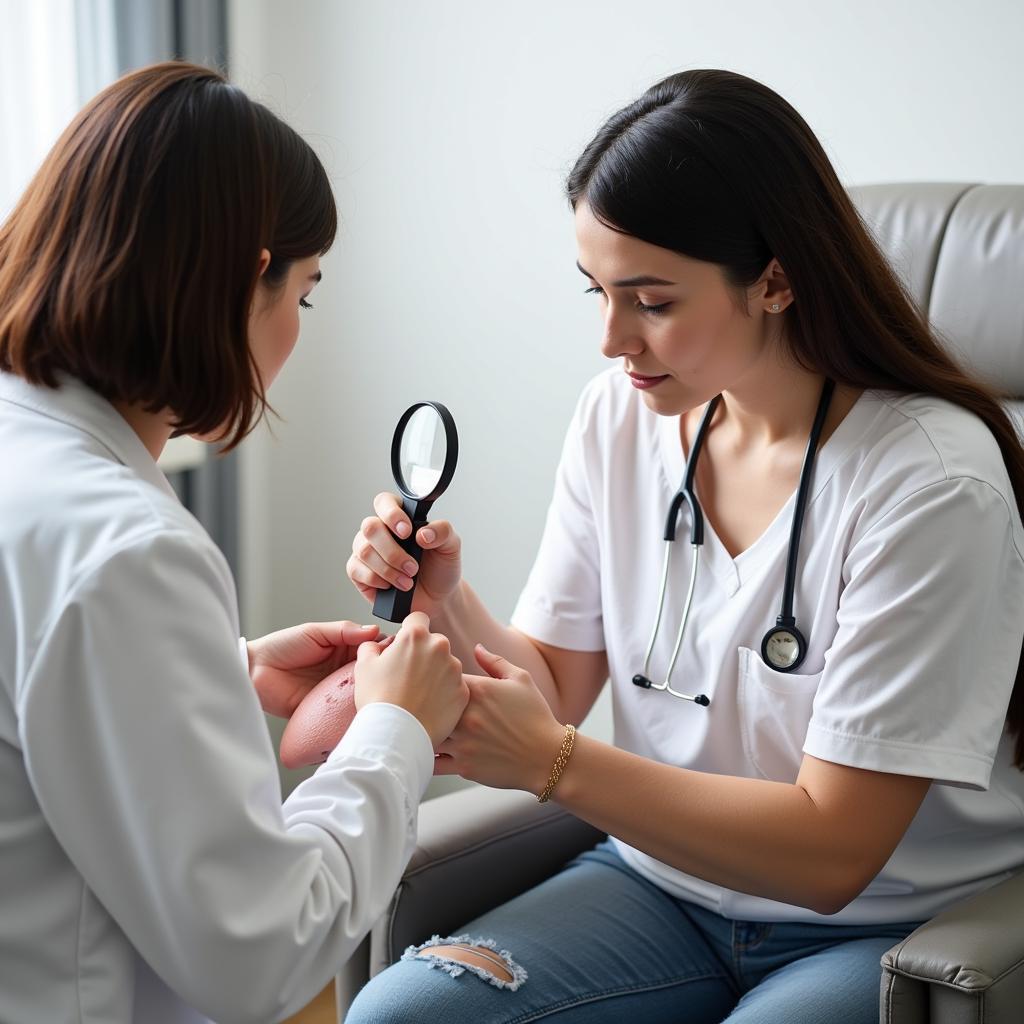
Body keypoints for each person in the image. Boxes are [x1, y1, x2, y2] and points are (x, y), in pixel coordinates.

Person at [344, 69, 1024, 1023]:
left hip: (882, 921)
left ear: (778, 279)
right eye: (598, 291)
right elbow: (551, 687)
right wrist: (443, 602)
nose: (612, 339)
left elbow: (834, 853)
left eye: (652, 301)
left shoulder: (929, 485)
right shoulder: (618, 422)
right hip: (659, 889)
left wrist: (556, 764)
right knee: (396, 1016)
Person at [0, 62, 468, 1024]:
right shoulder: (130, 551)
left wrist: (226, 669)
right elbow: (261, 955)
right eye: (307, 293)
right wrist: (395, 733)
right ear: (249, 277)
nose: (297, 328)